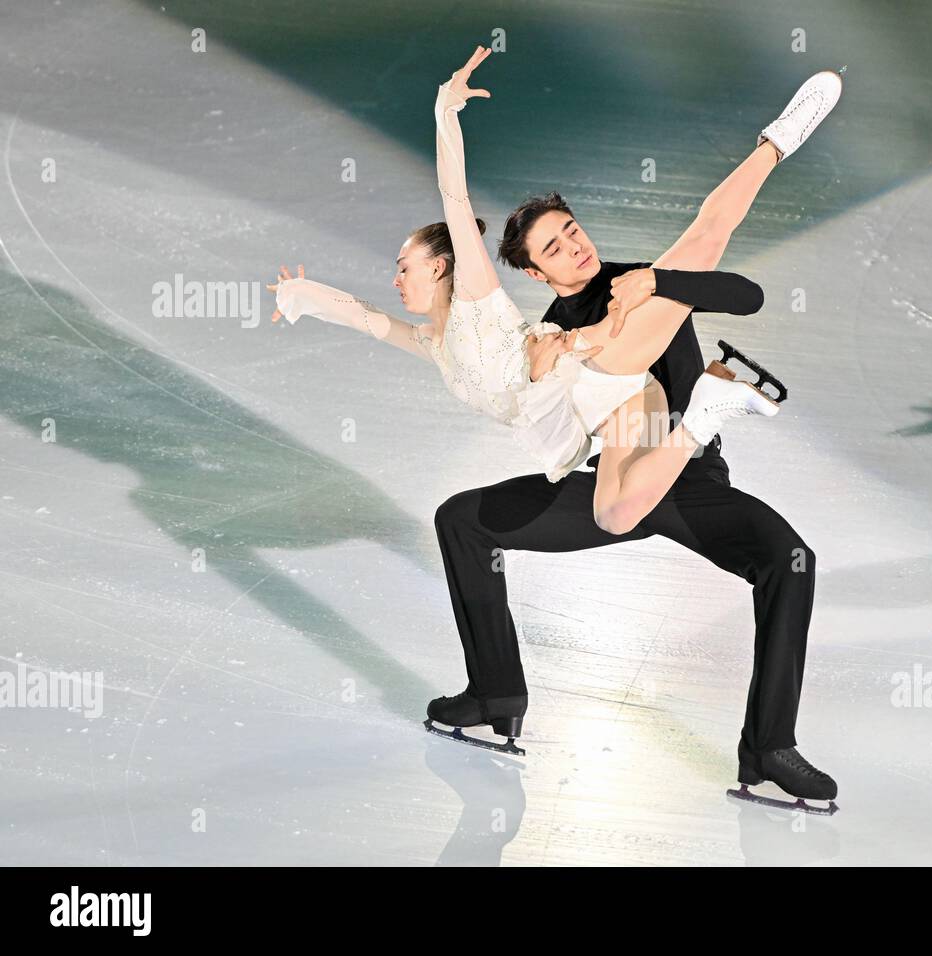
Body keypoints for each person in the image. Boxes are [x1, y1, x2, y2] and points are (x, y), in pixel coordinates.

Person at [431, 51, 845, 811]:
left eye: (572, 230)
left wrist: (661, 282)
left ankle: (770, 749)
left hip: (688, 484)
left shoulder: (637, 282)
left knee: (790, 559)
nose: (574, 246)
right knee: (461, 521)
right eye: (552, 247)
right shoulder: (553, 330)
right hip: (613, 481)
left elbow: (741, 288)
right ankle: (495, 693)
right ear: (533, 273)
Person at [269, 47, 776, 544]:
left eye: (404, 268)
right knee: (615, 516)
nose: (397, 281)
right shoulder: (435, 347)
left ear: (440, 265)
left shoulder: (476, 299)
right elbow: (366, 318)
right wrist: (300, 293)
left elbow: (454, 196)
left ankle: (773, 145)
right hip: (607, 408)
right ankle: (706, 411)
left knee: (702, 242)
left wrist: (446, 109)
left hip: (604, 367)